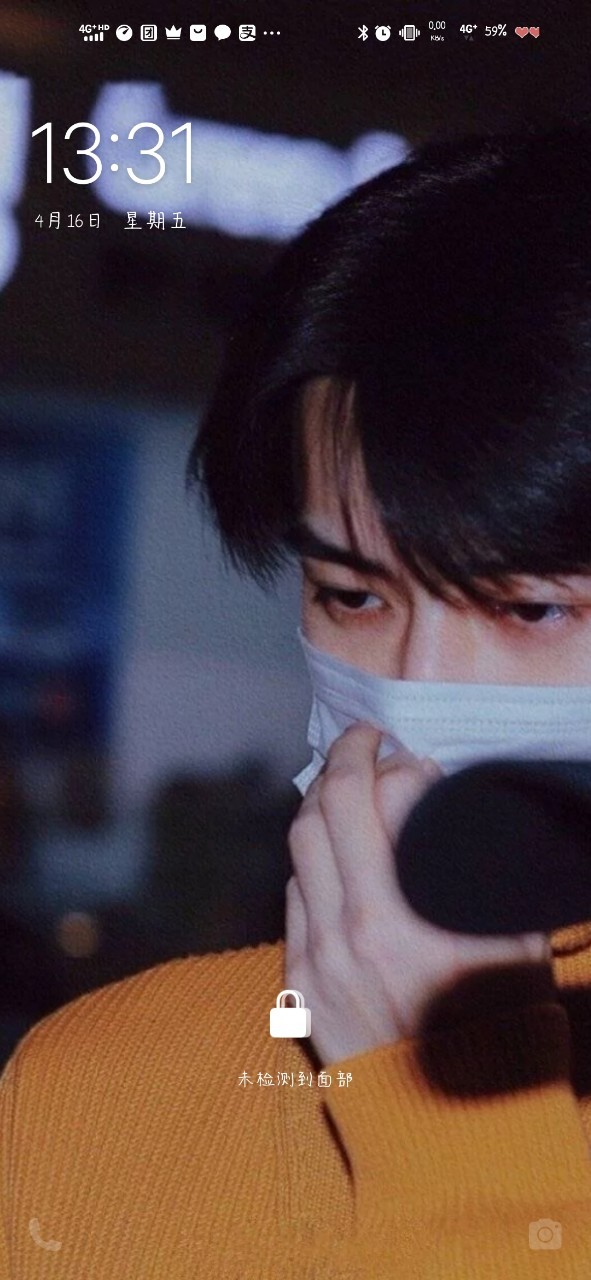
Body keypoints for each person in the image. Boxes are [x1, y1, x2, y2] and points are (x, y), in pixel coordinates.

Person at [2, 123, 591, 1279]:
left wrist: (443, 1126)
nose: (417, 694)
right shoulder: (99, 1089)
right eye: (352, 593)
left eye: (531, 608)